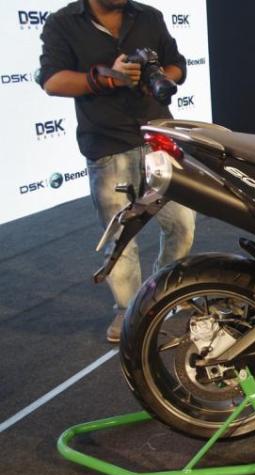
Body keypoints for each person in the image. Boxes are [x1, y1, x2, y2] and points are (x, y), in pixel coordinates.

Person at [39, 0, 195, 343]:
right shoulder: (63, 23)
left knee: (182, 224)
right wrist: (106, 79)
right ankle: (129, 310)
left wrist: (158, 77)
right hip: (107, 144)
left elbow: (178, 66)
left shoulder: (149, 16)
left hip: (158, 138)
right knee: (121, 239)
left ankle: (163, 291)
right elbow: (52, 81)